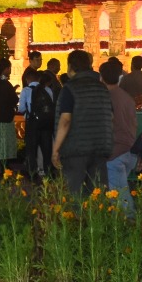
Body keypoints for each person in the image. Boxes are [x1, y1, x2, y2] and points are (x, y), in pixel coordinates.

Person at [52, 49, 113, 195]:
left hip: (75, 149)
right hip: (100, 147)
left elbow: (65, 120)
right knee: (98, 194)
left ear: (70, 67)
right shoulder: (102, 88)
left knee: (73, 194)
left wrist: (56, 149)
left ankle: (75, 218)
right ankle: (97, 218)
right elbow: (111, 117)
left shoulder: (70, 88)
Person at [101, 59, 139, 210]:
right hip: (129, 148)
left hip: (115, 151)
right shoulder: (127, 97)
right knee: (119, 191)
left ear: (101, 77)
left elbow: (108, 123)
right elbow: (134, 123)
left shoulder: (107, 97)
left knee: (120, 198)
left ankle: (128, 226)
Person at [19, 66, 55, 178]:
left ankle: (32, 173)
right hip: (47, 123)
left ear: (27, 80)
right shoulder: (48, 90)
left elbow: (20, 109)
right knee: (46, 149)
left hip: (32, 123)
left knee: (31, 150)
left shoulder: (25, 90)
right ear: (38, 79)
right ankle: (47, 171)